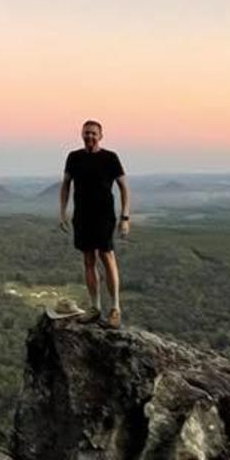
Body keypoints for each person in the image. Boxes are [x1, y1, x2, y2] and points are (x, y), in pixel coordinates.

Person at [57, 119, 131, 328]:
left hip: (104, 216)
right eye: (86, 133)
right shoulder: (74, 157)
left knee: (107, 257)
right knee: (88, 260)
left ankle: (115, 309)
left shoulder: (110, 158)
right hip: (82, 216)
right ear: (82, 134)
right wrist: (62, 213)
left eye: (93, 133)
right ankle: (95, 308)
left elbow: (124, 187)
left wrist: (125, 218)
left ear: (100, 136)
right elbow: (65, 185)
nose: (89, 136)